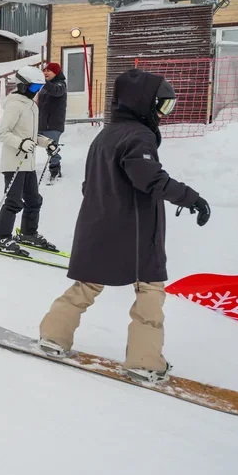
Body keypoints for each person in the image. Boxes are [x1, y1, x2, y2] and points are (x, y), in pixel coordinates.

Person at [38, 69, 210, 383]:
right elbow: (149, 178)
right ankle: (144, 361)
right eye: (161, 106)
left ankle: (53, 334)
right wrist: (191, 198)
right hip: (135, 230)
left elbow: (90, 183)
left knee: (87, 284)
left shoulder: (106, 135)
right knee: (150, 289)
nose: (162, 114)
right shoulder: (138, 136)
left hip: (98, 224)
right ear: (143, 102)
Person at [0, 66, 57, 256]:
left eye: (38, 88)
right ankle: (0, 237)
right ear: (22, 86)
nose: (36, 92)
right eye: (33, 88)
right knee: (14, 201)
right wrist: (21, 143)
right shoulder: (15, 104)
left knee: (33, 200)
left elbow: (29, 135)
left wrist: (46, 142)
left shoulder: (31, 105)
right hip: (13, 162)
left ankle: (28, 233)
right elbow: (3, 134)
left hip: (28, 163)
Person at [38, 61, 68, 183]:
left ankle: (55, 168)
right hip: (43, 123)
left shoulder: (60, 85)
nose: (45, 73)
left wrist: (43, 82)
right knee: (44, 145)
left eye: (48, 71)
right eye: (44, 71)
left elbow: (56, 91)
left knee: (52, 148)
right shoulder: (46, 86)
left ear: (56, 72)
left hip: (54, 124)